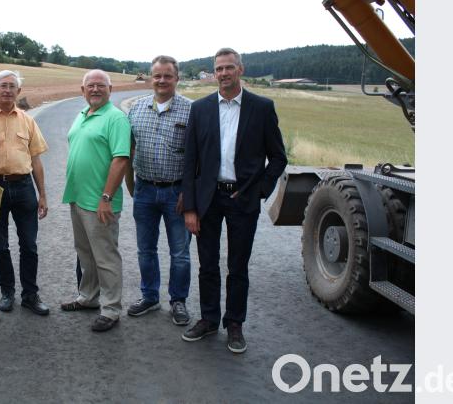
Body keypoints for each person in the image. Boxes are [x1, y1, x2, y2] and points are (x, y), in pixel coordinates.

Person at [181, 48, 287, 353]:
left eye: (229, 68)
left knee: (238, 266)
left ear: (240, 70)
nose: (224, 73)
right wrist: (190, 206)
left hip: (243, 199)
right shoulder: (199, 109)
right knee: (207, 264)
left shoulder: (261, 107)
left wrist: (260, 190)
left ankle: (235, 323)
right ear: (214, 73)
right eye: (219, 69)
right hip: (208, 198)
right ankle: (209, 319)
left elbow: (278, 157)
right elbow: (190, 162)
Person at [124, 55, 193, 326]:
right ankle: (150, 296)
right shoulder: (137, 109)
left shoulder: (191, 110)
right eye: (157, 75)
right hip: (145, 191)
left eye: (168, 75)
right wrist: (132, 187)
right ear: (150, 78)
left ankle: (178, 301)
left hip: (177, 192)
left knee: (180, 253)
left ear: (177, 79)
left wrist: (189, 193)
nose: (162, 80)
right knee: (145, 250)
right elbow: (128, 151)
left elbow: (197, 157)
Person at [61, 69, 131, 332]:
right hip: (78, 199)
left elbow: (121, 159)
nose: (95, 89)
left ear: (110, 89)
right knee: (86, 254)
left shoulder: (116, 119)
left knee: (105, 257)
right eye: (90, 85)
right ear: (82, 90)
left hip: (100, 202)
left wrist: (106, 197)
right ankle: (88, 297)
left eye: (101, 85)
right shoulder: (82, 115)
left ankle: (111, 309)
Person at [0, 70, 50, 316]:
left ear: (19, 92)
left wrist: (42, 194)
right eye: (3, 85)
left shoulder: (27, 120)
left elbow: (36, 160)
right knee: (0, 245)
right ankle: (7, 292)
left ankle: (30, 295)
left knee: (29, 245)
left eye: (12, 86)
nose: (7, 90)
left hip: (24, 186)